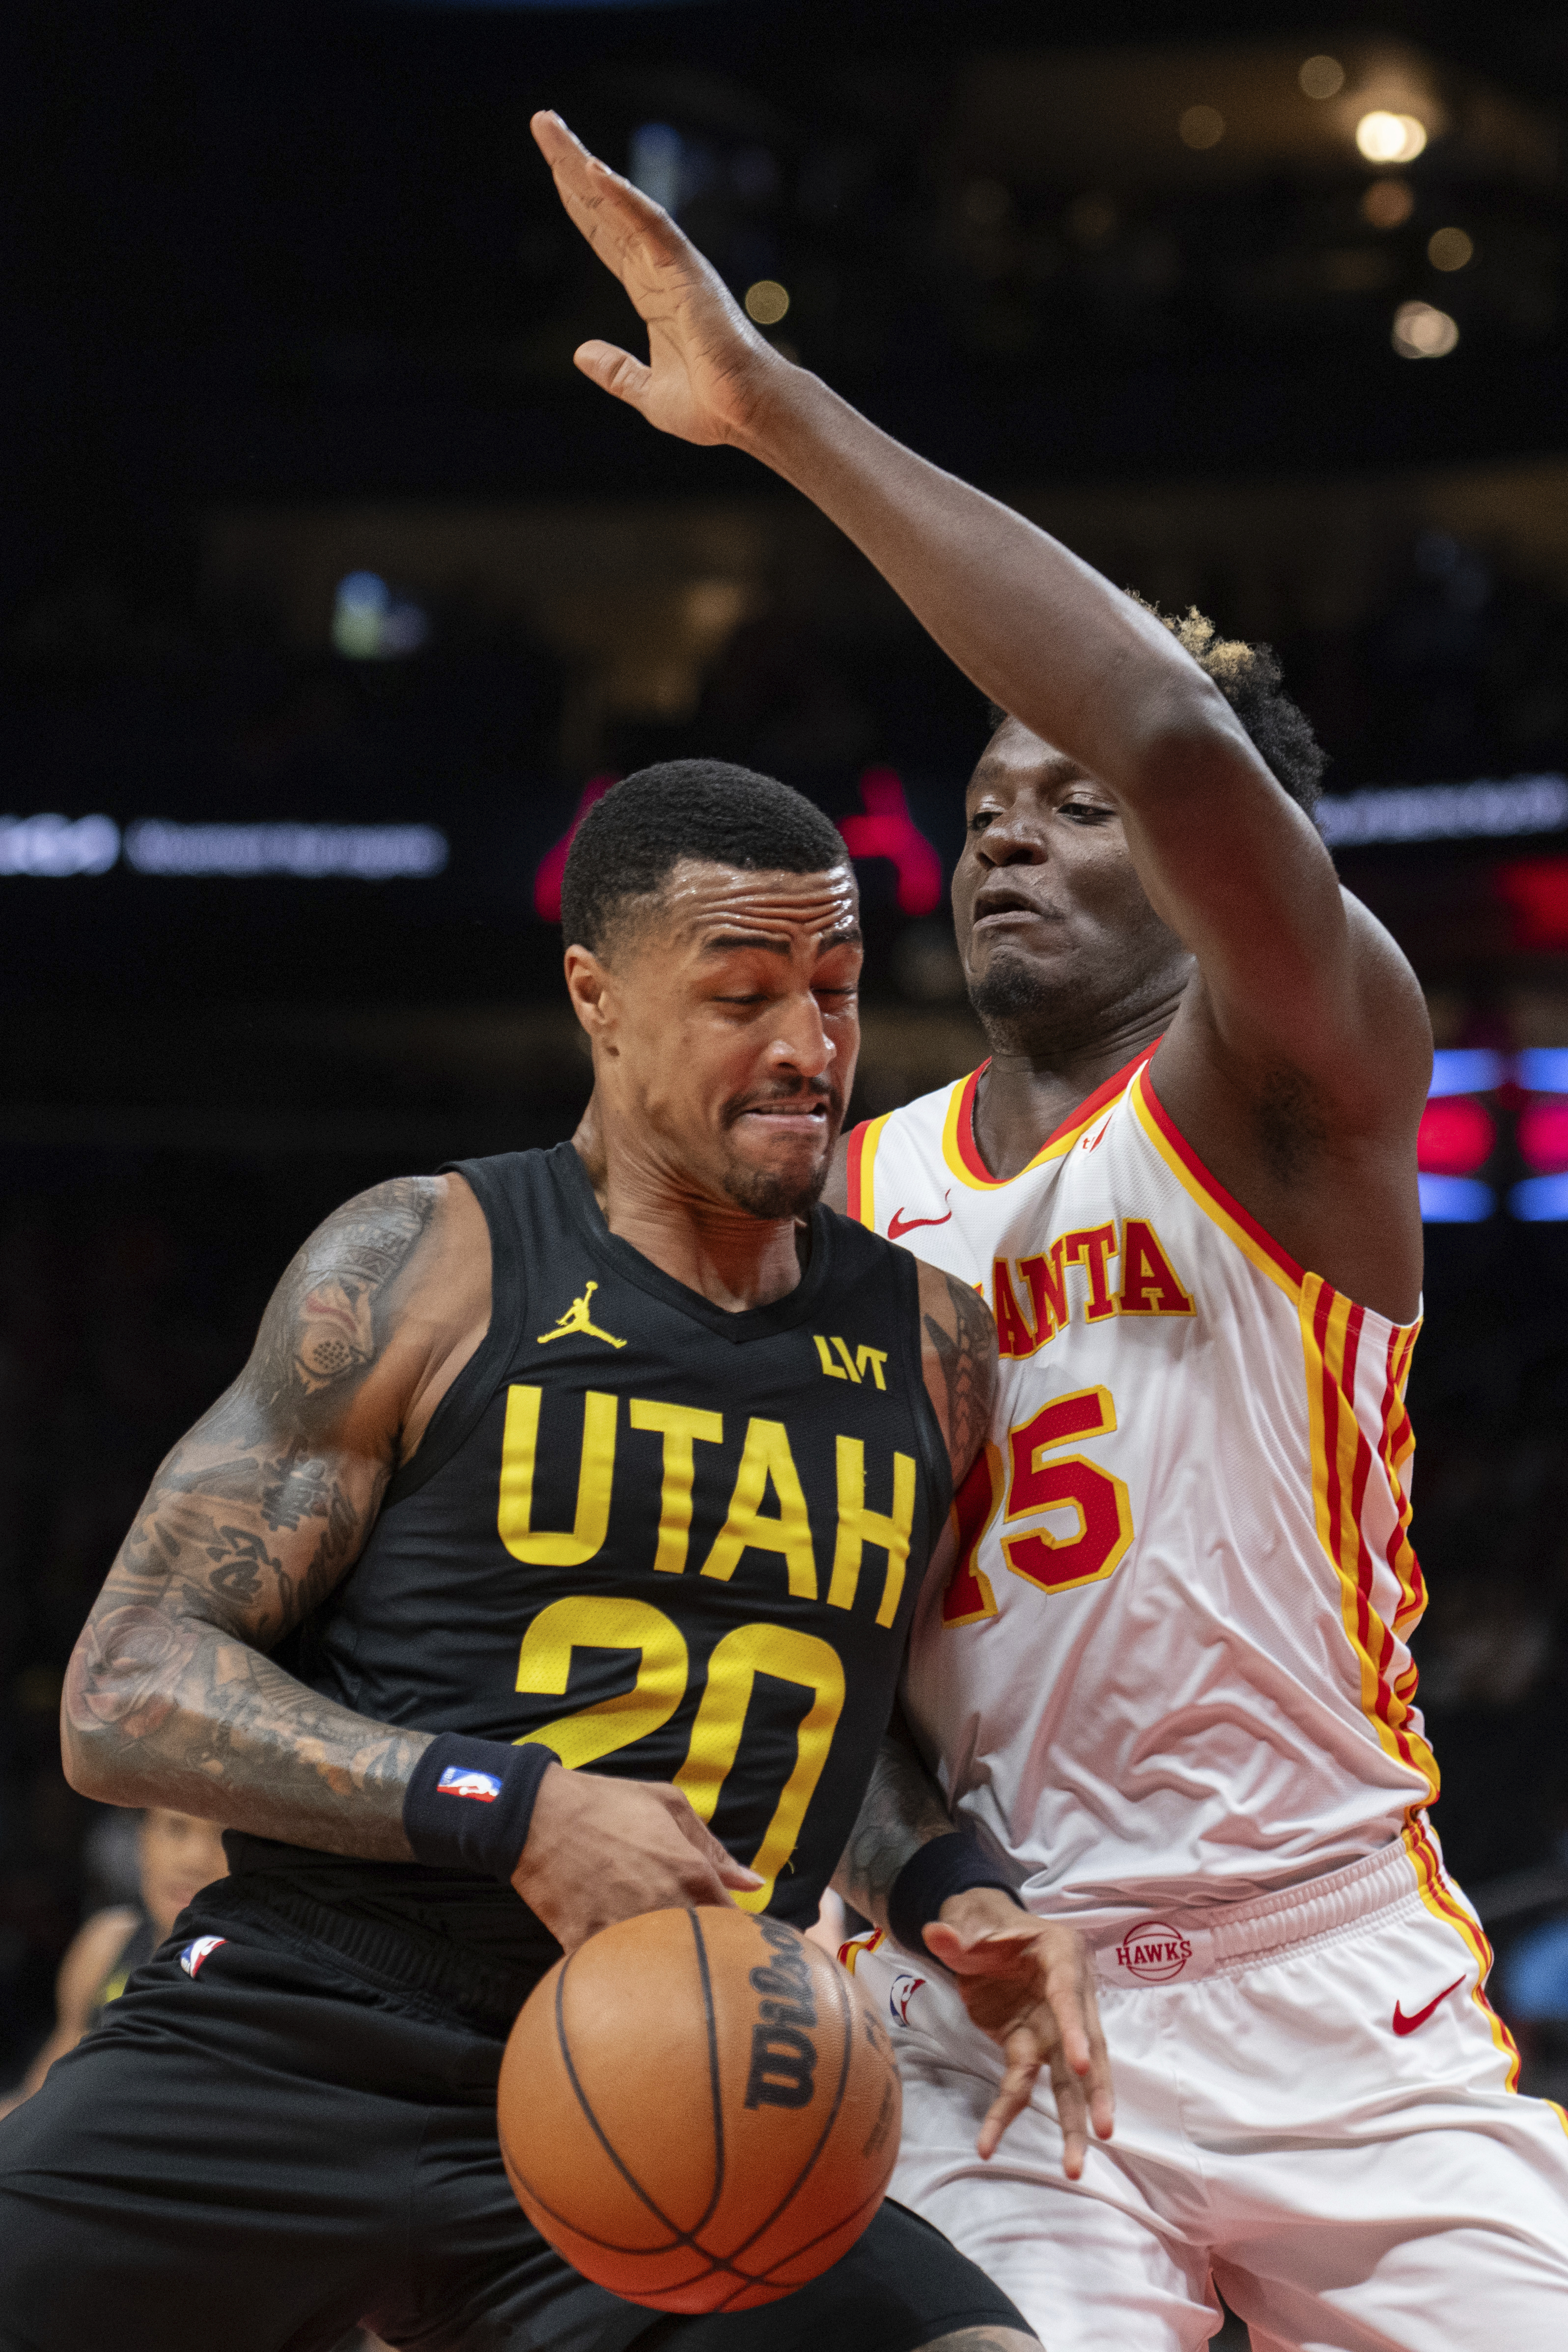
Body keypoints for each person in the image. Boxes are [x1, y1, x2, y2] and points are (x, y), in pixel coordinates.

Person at [515, 113, 1568, 2350]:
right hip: (990, 2005)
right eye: (987, 811)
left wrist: (778, 417)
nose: (1014, 840)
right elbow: (815, 1628)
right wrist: (909, 1883)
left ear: (1218, 859)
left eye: (1078, 808)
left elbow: (1177, 736)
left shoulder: (1288, 1096)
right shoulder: (831, 1200)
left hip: (1327, 1988)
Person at [0, 748, 1062, 2352]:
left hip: (680, 2072)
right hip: (302, 2030)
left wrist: (951, 1889)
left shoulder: (932, 1350)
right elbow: (123, 1686)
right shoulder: (426, 1257)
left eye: (836, 989)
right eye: (744, 993)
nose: (809, 1047)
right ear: (598, 995)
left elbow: (831, 1742)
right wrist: (521, 1808)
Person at [0, 1808, 228, 2114]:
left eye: (225, 1837)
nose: (195, 1860)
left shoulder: (259, 1978)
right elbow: (36, 2101)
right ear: (142, 1838)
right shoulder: (106, 1943)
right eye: (176, 1828)